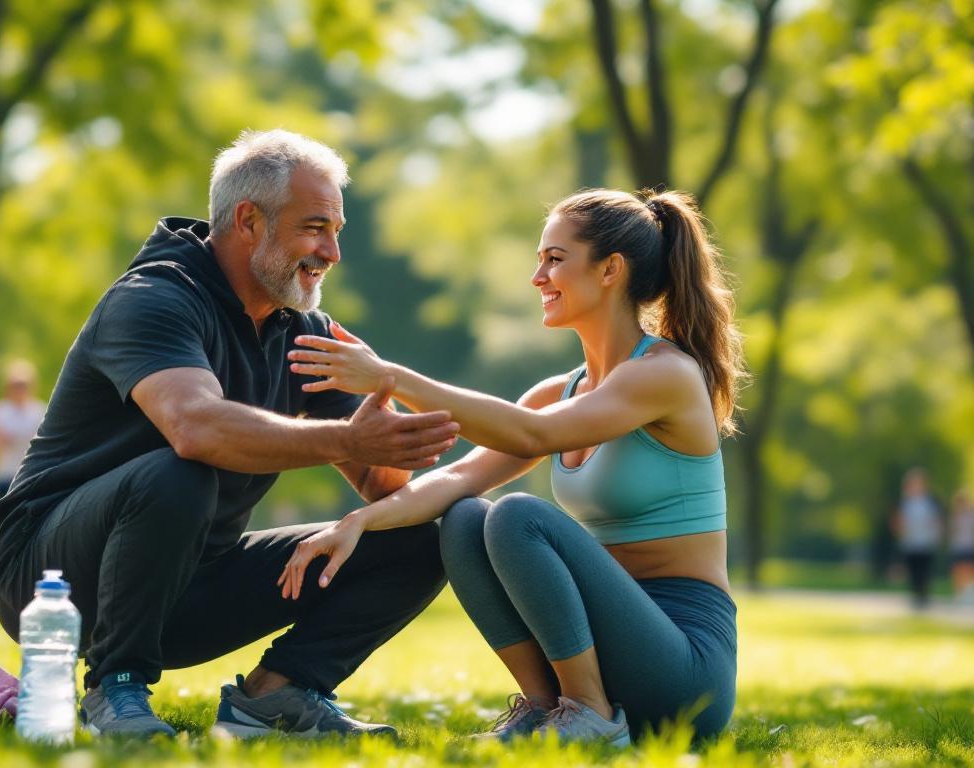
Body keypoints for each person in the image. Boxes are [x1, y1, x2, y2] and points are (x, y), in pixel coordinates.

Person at [0, 130, 459, 739]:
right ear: (248, 221)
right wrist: (346, 439)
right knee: (177, 470)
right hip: (48, 579)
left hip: (187, 584)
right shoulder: (154, 296)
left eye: (337, 230)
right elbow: (194, 428)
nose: (333, 252)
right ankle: (116, 687)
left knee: (419, 537)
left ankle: (279, 694)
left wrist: (380, 413)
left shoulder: (304, 332)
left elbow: (384, 485)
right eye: (315, 227)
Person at [281, 189, 744, 746]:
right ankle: (548, 708)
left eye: (554, 259)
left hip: (683, 670)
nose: (537, 277)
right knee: (465, 517)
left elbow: (533, 435)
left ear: (610, 271)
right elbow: (459, 477)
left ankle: (590, 714)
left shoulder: (664, 375)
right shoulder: (559, 392)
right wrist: (359, 522)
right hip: (612, 647)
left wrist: (390, 377)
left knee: (518, 516)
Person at [0, 359, 46, 503]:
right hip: (4, 476)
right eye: (15, 385)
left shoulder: (41, 411)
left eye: (23, 385)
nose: (19, 389)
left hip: (32, 475)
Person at [893, 467, 942, 610]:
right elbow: (898, 522)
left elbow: (936, 520)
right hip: (910, 543)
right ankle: (916, 597)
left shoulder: (930, 502)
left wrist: (937, 535)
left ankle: (924, 597)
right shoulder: (905, 503)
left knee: (925, 571)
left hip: (926, 542)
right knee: (913, 571)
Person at [947, 489, 974, 603]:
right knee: (958, 569)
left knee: (972, 569)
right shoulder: (955, 516)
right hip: (958, 546)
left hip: (971, 545)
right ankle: (959, 593)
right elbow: (952, 531)